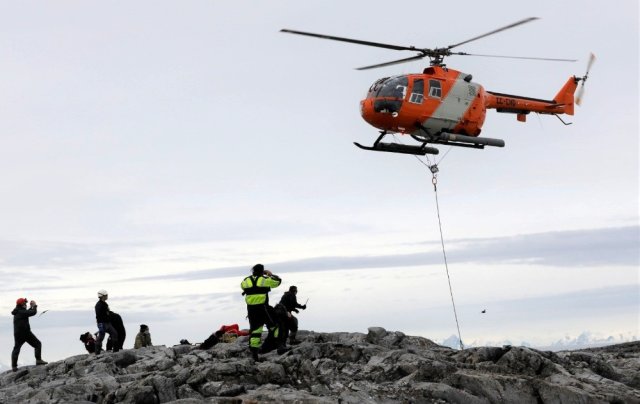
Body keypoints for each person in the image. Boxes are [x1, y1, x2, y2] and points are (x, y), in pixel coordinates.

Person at [240, 263, 288, 361]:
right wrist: (270, 274)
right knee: (275, 326)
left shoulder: (245, 280)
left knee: (255, 331)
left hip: (251, 310)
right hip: (263, 308)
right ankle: (280, 347)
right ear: (262, 271)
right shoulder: (264, 280)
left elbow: (242, 287)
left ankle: (254, 355)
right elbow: (277, 282)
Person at [11, 298, 47, 371]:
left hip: (18, 334)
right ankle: (38, 360)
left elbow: (27, 312)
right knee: (37, 344)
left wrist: (31, 307)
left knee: (16, 348)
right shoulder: (21, 311)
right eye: (25, 303)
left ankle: (14, 366)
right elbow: (32, 312)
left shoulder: (18, 311)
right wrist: (34, 306)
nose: (26, 304)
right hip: (25, 333)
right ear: (22, 304)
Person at [94, 289, 119, 354]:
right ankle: (97, 352)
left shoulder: (104, 304)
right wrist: (100, 324)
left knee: (114, 334)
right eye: (106, 295)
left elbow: (107, 312)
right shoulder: (98, 305)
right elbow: (99, 315)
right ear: (102, 296)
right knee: (101, 337)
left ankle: (116, 351)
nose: (107, 296)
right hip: (102, 323)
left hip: (107, 323)